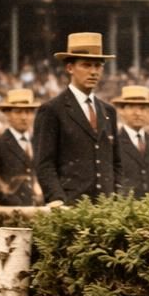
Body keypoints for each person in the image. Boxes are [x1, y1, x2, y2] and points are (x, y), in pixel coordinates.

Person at [32, 32, 122, 206]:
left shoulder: (108, 111)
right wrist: (57, 199)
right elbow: (44, 163)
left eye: (98, 66)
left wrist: (116, 196)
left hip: (107, 210)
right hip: (70, 208)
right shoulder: (52, 110)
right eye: (86, 65)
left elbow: (116, 162)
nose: (94, 72)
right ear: (70, 68)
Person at [0, 88, 40, 207]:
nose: (24, 117)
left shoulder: (39, 142)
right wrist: (9, 194)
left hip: (38, 209)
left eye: (29, 112)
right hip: (10, 209)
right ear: (7, 114)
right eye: (18, 112)